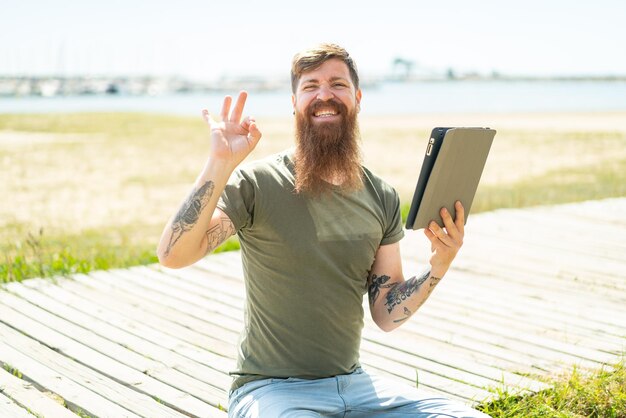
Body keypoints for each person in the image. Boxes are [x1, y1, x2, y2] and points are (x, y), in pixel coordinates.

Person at [157, 43, 490, 418]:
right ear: (295, 102)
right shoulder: (258, 182)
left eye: (338, 84)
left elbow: (386, 313)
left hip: (356, 386)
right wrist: (219, 163)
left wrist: (438, 267)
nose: (324, 94)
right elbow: (173, 254)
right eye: (310, 85)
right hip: (270, 391)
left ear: (358, 98)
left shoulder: (380, 195)